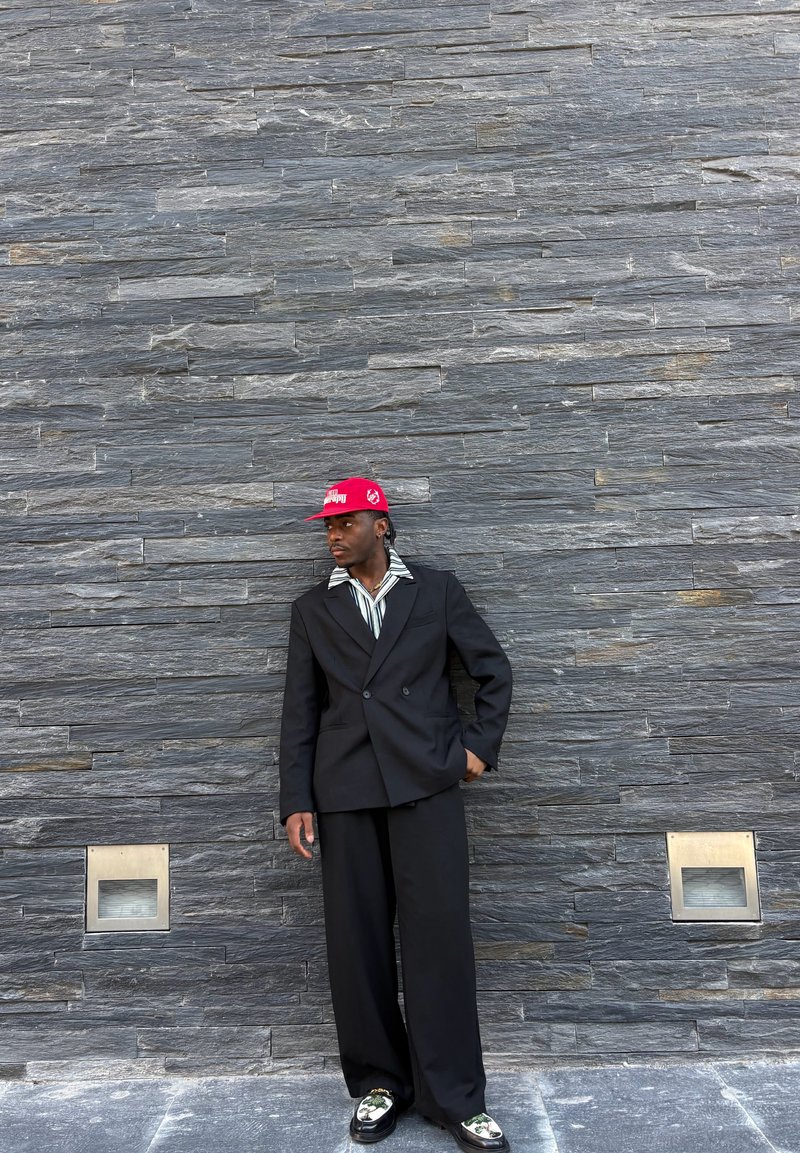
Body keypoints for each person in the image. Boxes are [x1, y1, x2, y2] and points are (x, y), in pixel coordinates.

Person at [279, 477, 513, 1152]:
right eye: (326, 526)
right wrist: (297, 797)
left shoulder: (436, 590)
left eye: (343, 523)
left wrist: (476, 750)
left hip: (426, 786)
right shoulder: (311, 610)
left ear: (381, 524)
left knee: (439, 941)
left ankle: (458, 1096)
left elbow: (492, 670)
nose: (332, 535)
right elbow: (300, 712)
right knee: (357, 947)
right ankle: (382, 1081)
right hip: (345, 793)